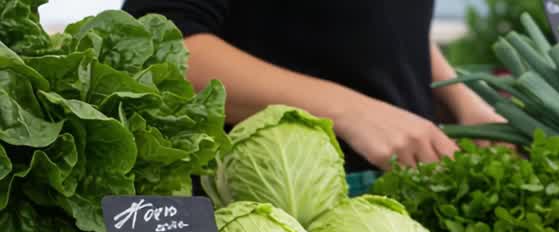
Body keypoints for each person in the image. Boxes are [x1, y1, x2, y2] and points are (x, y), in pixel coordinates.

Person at [123, 0, 504, 171]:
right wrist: (352, 112)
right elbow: (159, 49)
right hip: (281, 209)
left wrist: (458, 94)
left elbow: (389, 24)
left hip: (397, 197)